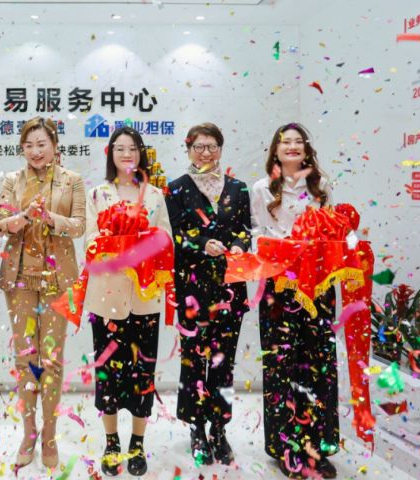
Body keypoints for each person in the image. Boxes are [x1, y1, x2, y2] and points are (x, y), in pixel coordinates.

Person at [0, 116, 85, 469]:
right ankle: (29, 432)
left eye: (41, 144)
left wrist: (50, 219)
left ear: (54, 146)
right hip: (19, 277)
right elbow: (0, 223)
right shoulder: (12, 180)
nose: (35, 151)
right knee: (25, 359)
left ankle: (49, 434)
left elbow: (79, 226)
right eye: (29, 145)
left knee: (51, 359)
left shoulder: (72, 180)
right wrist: (23, 216)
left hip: (57, 279)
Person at [83, 127, 172, 476]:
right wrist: (117, 244)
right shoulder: (98, 194)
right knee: (107, 375)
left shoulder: (155, 195)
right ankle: (111, 443)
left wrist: (143, 243)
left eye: (132, 148)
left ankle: (137, 443)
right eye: (119, 149)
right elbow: (90, 243)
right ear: (111, 154)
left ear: (140, 154)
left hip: (145, 299)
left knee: (142, 373)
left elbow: (166, 239)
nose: (126, 154)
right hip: (106, 298)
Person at [251, 123, 338, 479]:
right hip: (279, 285)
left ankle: (318, 447)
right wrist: (281, 249)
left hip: (318, 286)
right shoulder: (261, 188)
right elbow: (256, 233)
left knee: (319, 365)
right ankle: (285, 447)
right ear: (275, 150)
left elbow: (332, 230)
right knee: (281, 367)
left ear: (306, 149)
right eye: (285, 142)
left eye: (298, 142)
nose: (292, 146)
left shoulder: (322, 185)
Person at [165, 122, 250, 465]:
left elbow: (246, 229)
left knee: (223, 362)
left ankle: (219, 427)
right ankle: (196, 427)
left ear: (221, 149)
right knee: (193, 361)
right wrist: (202, 243)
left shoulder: (238, 188)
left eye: (212, 146)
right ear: (188, 150)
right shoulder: (175, 189)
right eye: (198, 146)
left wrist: (240, 245)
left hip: (231, 288)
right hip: (192, 290)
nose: (205, 152)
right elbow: (174, 235)